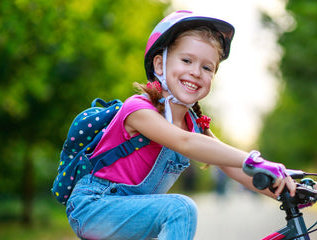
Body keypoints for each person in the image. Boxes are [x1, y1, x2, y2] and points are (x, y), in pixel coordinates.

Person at [65, 10, 297, 240]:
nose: (196, 72)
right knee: (180, 209)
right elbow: (184, 142)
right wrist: (254, 159)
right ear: (159, 65)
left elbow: (232, 167)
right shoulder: (137, 110)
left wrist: (285, 192)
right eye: (186, 60)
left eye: (207, 68)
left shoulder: (193, 125)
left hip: (133, 210)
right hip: (94, 207)